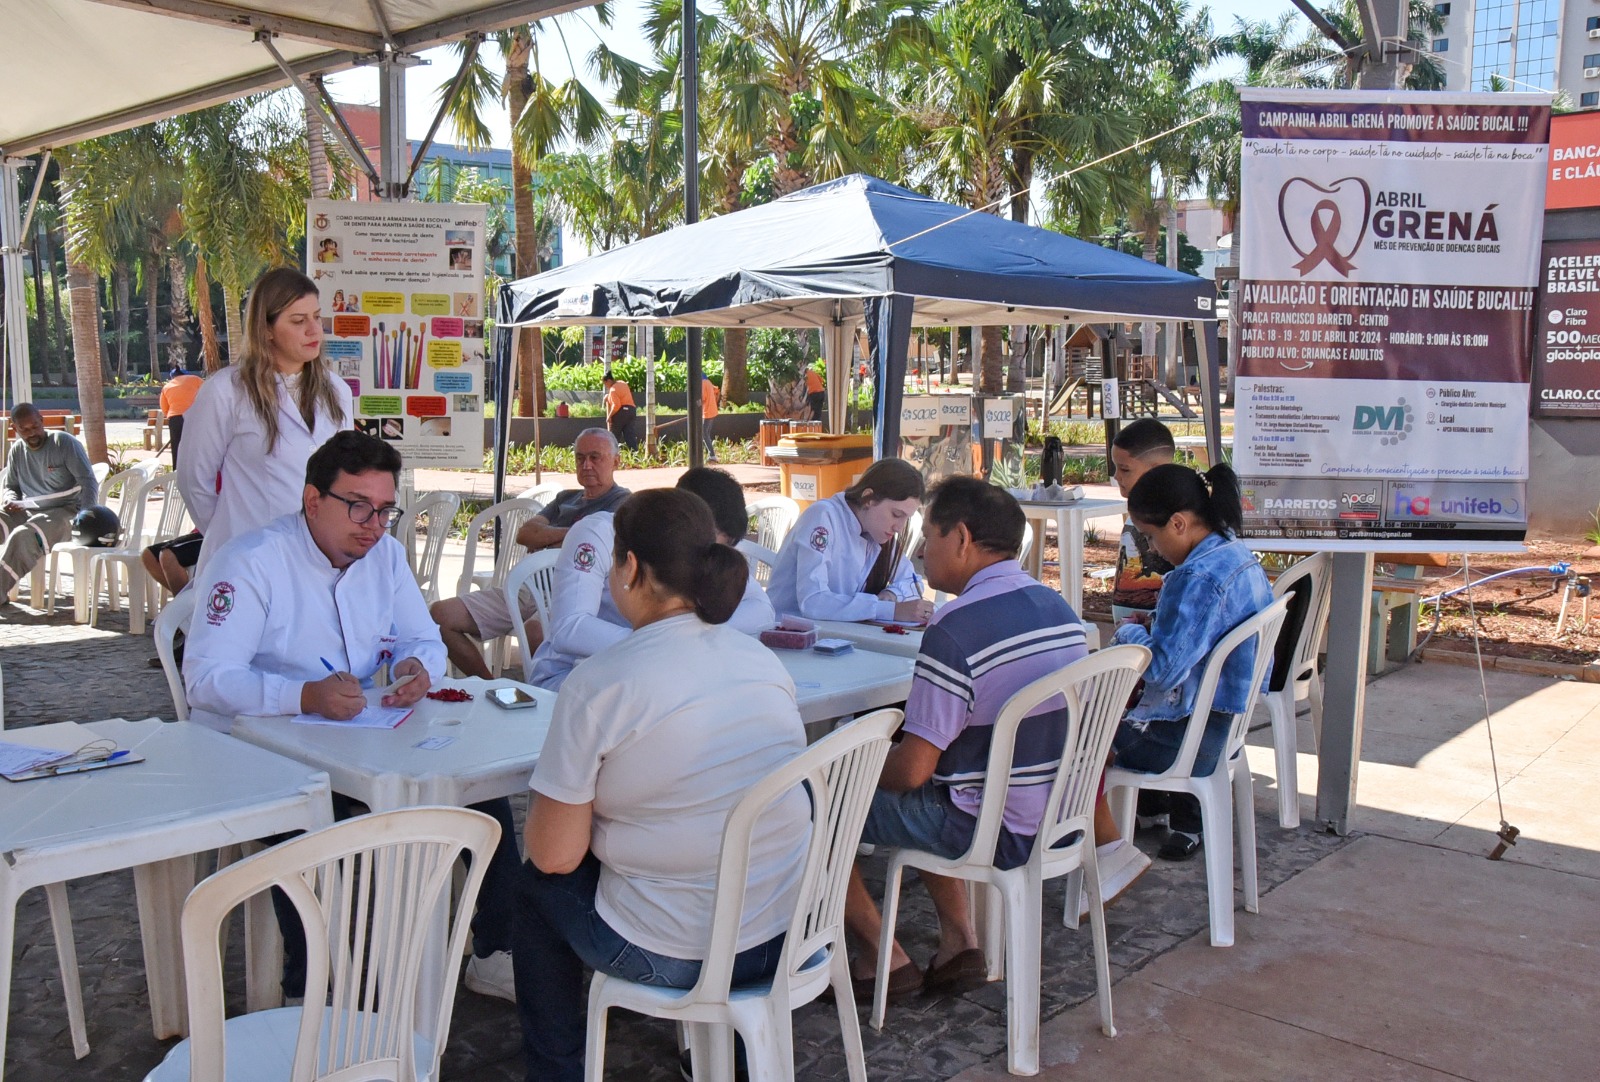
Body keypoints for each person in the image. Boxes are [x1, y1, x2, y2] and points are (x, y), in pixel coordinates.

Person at [183, 430, 524, 1001]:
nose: (373, 523)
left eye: (385, 509)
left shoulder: (385, 555)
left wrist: (418, 664)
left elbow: (422, 637)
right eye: (358, 506)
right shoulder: (252, 562)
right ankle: (309, 987)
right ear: (313, 501)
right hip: (264, 747)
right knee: (305, 821)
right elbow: (208, 680)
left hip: (366, 736)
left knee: (477, 789)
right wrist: (302, 696)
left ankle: (496, 950)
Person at [510, 487, 809, 1082]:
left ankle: (557, 1073)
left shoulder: (601, 682)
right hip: (789, 932)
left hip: (680, 952)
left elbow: (553, 854)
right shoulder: (761, 659)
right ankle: (735, 1059)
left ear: (628, 567)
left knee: (533, 890)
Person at [841, 478, 1089, 999]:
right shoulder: (1059, 610)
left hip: (988, 824)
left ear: (961, 537)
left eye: (927, 536)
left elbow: (912, 771)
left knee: (812, 805)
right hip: (1057, 813)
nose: (920, 551)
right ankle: (959, 942)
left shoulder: (955, 628)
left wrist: (846, 763)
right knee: (949, 776)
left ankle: (880, 957)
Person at [1110, 463, 1274, 862]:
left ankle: (1102, 851)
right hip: (1222, 733)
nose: (1151, 548)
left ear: (1179, 523)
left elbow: (1163, 670)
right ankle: (1144, 810)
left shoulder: (1195, 578)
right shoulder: (1236, 553)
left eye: (1151, 536)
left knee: (1080, 736)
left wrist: (1128, 633)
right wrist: (1153, 624)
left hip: (1183, 742)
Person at [524, 471, 775, 691]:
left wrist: (685, 642)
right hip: (570, 676)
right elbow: (569, 629)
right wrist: (669, 645)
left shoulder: (699, 548)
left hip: (656, 675)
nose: (705, 557)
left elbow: (762, 610)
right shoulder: (599, 534)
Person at [178, 266, 351, 578]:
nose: (314, 330)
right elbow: (194, 481)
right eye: (299, 321)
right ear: (266, 329)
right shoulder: (225, 392)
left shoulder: (337, 391)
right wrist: (233, 531)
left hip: (318, 562)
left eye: (316, 316)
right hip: (247, 562)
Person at [430, 429, 630, 679]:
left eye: (595, 457)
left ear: (616, 461)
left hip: (570, 592)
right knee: (440, 615)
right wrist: (577, 533)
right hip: (527, 587)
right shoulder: (565, 498)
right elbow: (525, 534)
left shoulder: (623, 505)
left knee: (536, 632)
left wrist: (549, 536)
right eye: (580, 458)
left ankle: (540, 701)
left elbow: (588, 550)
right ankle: (490, 686)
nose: (586, 465)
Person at [766, 457, 932, 624]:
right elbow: (812, 601)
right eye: (896, 515)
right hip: (787, 632)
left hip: (835, 632)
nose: (899, 527)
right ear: (868, 498)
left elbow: (913, 582)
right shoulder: (824, 517)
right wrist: (886, 609)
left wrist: (892, 595)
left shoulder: (875, 532)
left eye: (906, 519)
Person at [1, 403, 98, 604]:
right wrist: (10, 499)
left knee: (24, 536)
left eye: (35, 426)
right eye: (25, 429)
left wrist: (86, 518)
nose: (32, 433)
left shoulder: (63, 443)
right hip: (29, 510)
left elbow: (88, 482)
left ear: (42, 422)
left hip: (67, 512)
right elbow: (10, 485)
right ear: (14, 428)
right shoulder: (17, 450)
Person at [1109, 419, 1177, 623]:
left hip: (1157, 634)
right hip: (1131, 632)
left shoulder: (1173, 517)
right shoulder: (1136, 511)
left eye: (1125, 469)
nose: (1116, 476)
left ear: (1155, 469)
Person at [159, 365, 203, 471]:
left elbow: (164, 408)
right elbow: (207, 394)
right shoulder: (196, 379)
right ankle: (197, 471)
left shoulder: (167, 386)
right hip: (194, 417)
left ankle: (176, 473)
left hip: (175, 419)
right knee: (196, 446)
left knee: (176, 447)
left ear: (173, 377)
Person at [602, 375, 637, 450]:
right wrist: (609, 396)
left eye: (605, 384)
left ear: (608, 381)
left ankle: (612, 454)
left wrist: (609, 416)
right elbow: (621, 395)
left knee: (614, 436)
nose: (606, 386)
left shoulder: (613, 390)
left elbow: (616, 405)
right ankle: (635, 454)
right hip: (631, 410)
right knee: (630, 435)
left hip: (621, 412)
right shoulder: (622, 383)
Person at [700, 374, 720, 462]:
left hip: (707, 412)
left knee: (704, 433)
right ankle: (708, 453)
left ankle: (712, 455)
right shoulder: (708, 382)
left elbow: (702, 398)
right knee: (706, 433)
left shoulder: (702, 383)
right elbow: (716, 390)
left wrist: (695, 406)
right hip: (712, 410)